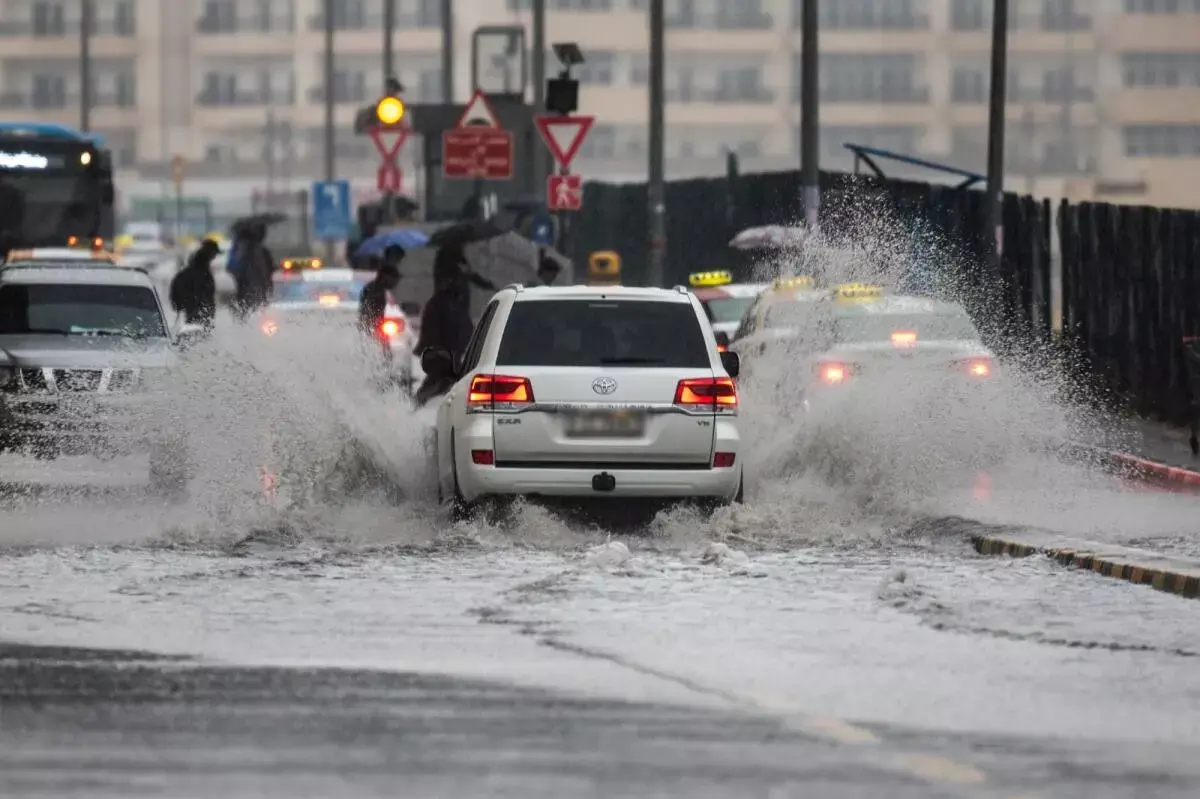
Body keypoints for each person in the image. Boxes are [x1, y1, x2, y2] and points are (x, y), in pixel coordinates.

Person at [413, 264, 476, 407]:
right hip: (444, 353)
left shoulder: (449, 303)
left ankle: (418, 404)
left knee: (447, 383)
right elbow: (446, 330)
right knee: (442, 382)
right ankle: (417, 404)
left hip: (448, 352)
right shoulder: (444, 303)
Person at [169, 237, 219, 329]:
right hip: (197, 310)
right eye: (214, 253)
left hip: (195, 309)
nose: (215, 257)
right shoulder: (200, 272)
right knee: (197, 332)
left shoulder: (195, 270)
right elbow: (201, 292)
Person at [231, 223, 276, 319]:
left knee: (249, 315)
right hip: (252, 289)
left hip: (248, 288)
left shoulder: (245, 248)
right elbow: (262, 270)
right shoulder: (254, 250)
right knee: (254, 314)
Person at [358, 260, 402, 336]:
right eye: (395, 279)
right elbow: (368, 312)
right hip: (371, 331)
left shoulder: (377, 289)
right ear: (386, 277)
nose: (396, 283)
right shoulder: (374, 291)